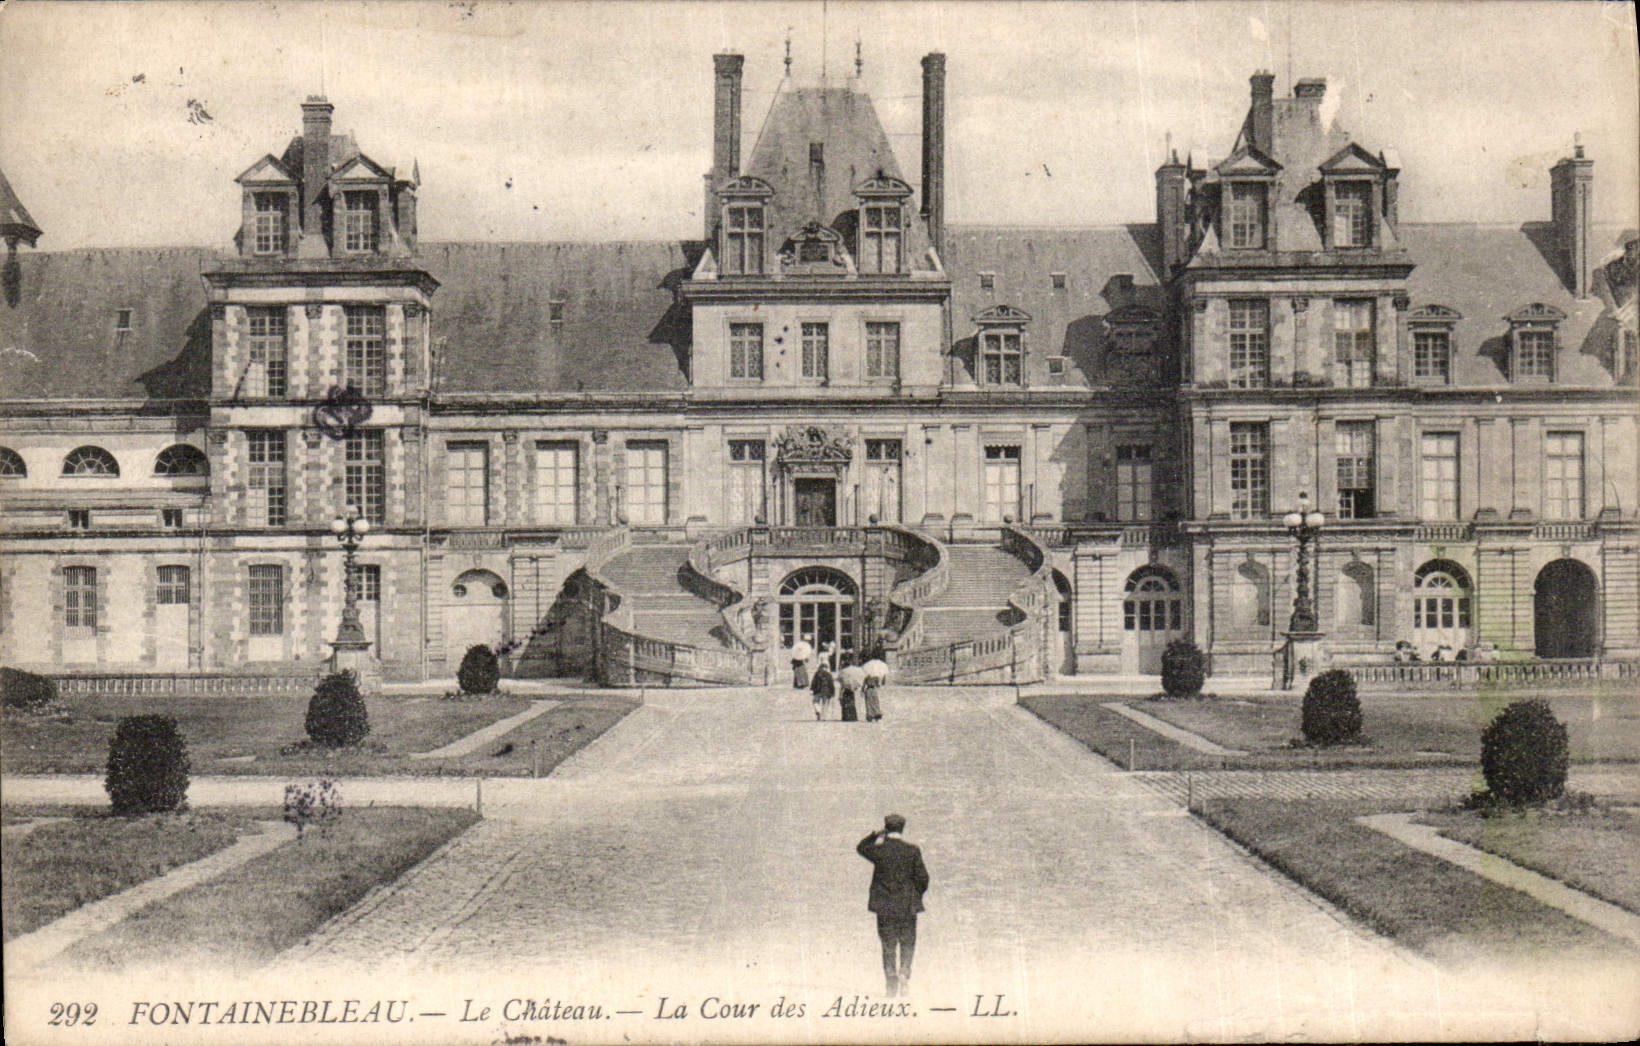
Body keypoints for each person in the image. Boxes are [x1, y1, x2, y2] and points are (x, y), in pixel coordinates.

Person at [856, 814, 929, 997]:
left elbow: (861, 848)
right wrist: (915, 895)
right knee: (907, 942)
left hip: (885, 906)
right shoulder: (912, 850)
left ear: (887, 829)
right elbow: (923, 878)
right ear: (903, 829)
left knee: (888, 944)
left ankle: (891, 979)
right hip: (907, 905)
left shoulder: (880, 850)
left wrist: (875, 835)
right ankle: (904, 973)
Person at [836, 656, 865, 722]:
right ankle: (853, 716)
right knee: (851, 703)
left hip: (845, 689)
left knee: (845, 704)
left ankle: (846, 717)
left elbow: (840, 681)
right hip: (852, 689)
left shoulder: (843, 672)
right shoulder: (855, 670)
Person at [862, 654, 889, 722]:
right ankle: (877, 713)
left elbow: (864, 684)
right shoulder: (876, 677)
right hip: (874, 689)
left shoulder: (867, 677)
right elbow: (878, 685)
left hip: (868, 689)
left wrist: (862, 690)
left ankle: (870, 715)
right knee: (875, 702)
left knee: (868, 703)